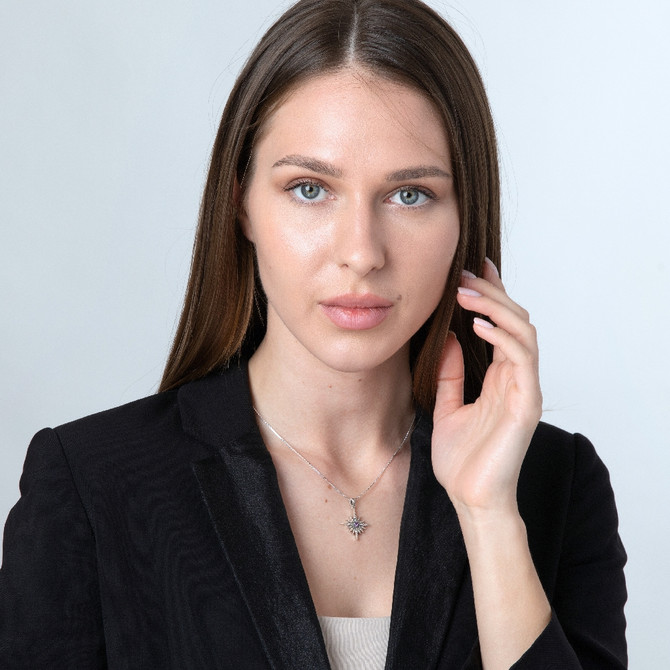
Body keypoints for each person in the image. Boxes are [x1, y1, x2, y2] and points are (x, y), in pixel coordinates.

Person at [0, 0, 627, 668]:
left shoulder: (556, 486)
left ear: (464, 218)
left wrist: (489, 515)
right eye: (309, 189)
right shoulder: (91, 484)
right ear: (240, 203)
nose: (361, 252)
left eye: (409, 194)